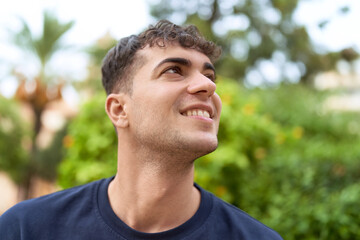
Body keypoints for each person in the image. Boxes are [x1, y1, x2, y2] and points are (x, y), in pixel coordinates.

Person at [0, 20, 283, 240]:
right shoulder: (26, 229)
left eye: (209, 76)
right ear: (120, 110)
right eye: (173, 70)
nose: (208, 86)